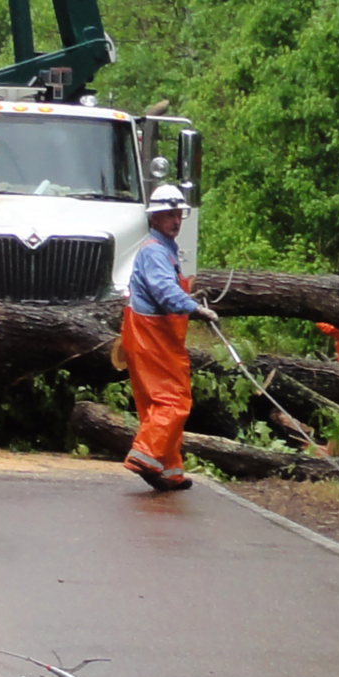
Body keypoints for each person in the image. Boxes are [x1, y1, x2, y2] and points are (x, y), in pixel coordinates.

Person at [119, 183, 214, 492]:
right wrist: (195, 308)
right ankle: (146, 456)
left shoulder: (164, 251)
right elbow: (163, 290)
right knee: (173, 400)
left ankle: (168, 469)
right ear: (154, 219)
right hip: (153, 335)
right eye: (169, 215)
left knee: (156, 404)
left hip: (154, 335)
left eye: (178, 215)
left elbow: (167, 288)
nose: (175, 221)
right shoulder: (155, 252)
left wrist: (190, 300)